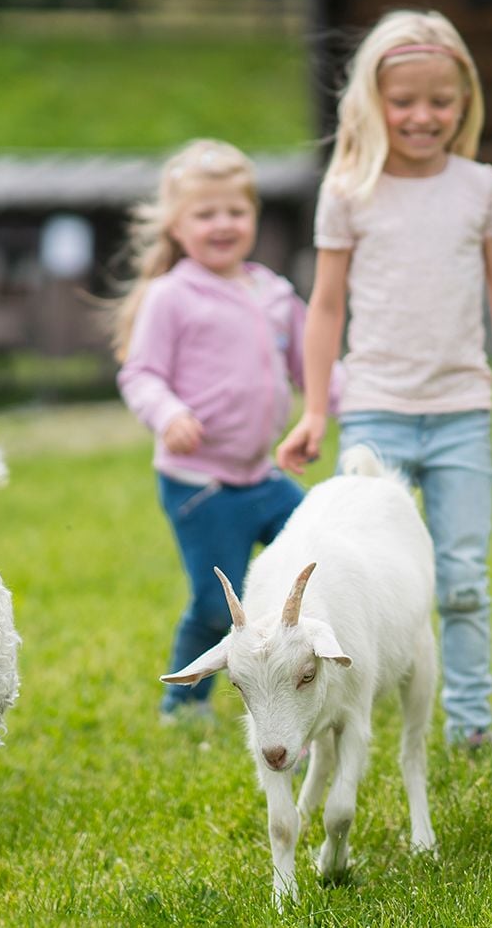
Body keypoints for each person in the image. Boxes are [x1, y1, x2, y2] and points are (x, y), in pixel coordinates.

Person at [276, 9, 492, 754]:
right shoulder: (349, 192)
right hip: (374, 414)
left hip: (460, 411)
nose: (423, 117)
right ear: (372, 102)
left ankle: (471, 720)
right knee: (359, 572)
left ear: (465, 101)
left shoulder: (481, 187)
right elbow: (326, 306)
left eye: (441, 101)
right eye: (404, 102)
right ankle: (351, 705)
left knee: (461, 577)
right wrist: (315, 411)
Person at [113, 139, 340, 727]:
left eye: (234, 212)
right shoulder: (171, 296)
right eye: (204, 214)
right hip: (201, 485)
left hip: (264, 477)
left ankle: (313, 675)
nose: (222, 225)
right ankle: (183, 705)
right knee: (217, 604)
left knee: (316, 557)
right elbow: (140, 374)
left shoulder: (273, 291)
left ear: (254, 217)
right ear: (177, 226)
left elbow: (311, 366)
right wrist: (168, 415)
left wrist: (344, 403)